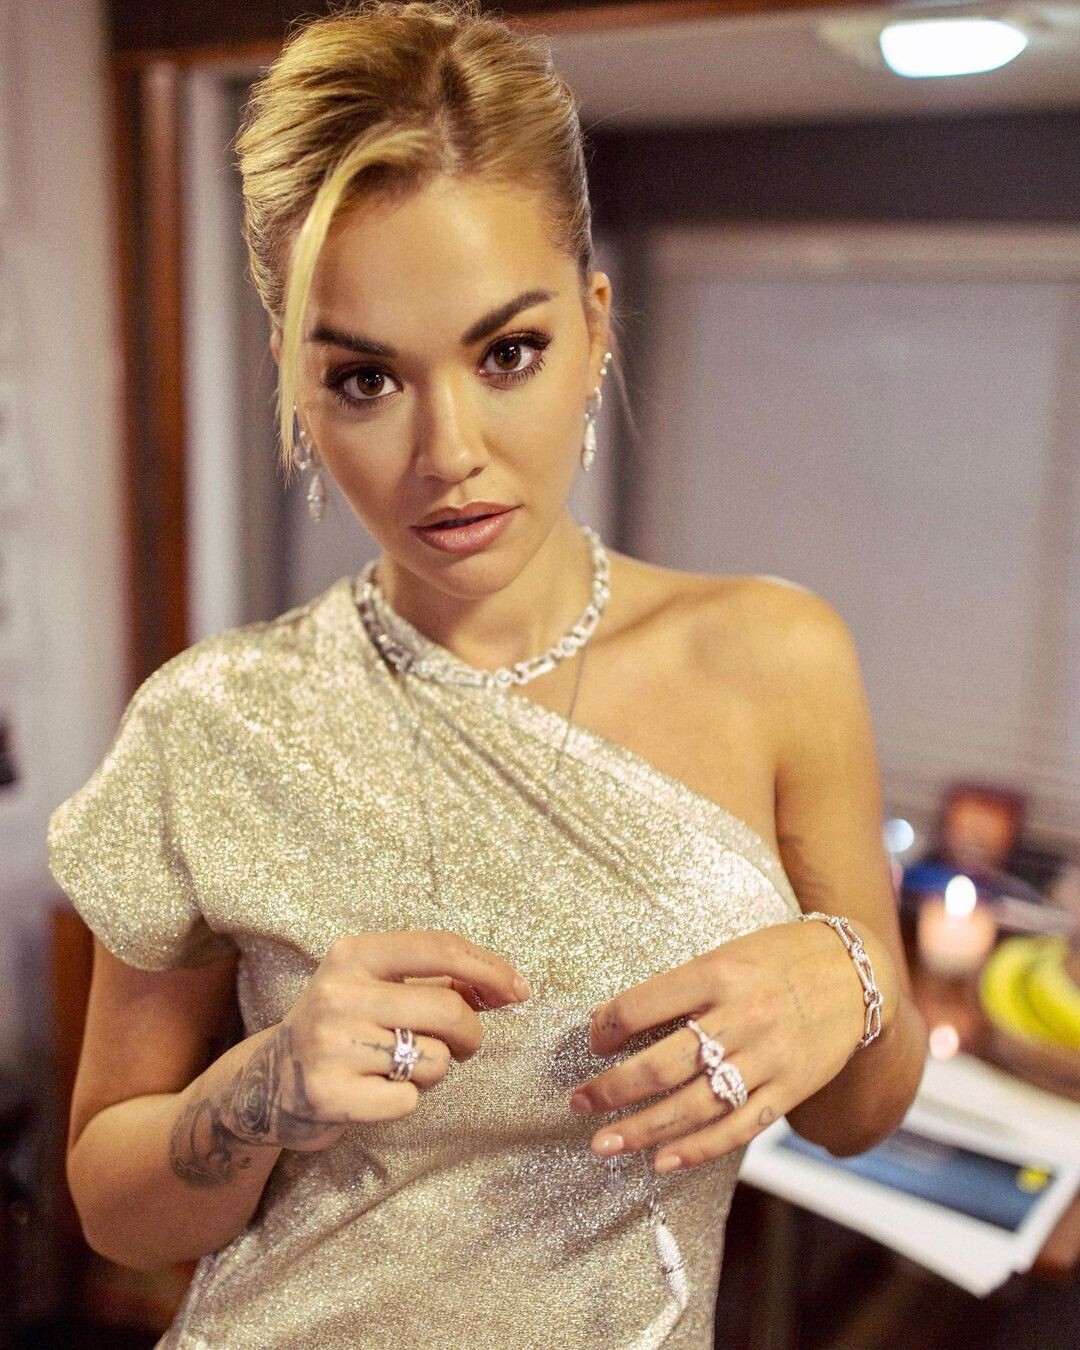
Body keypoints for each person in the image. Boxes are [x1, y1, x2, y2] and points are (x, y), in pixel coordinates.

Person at [48, 2, 928, 1345]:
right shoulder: (212, 724)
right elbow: (113, 1208)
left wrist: (847, 975)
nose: (448, 450)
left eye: (506, 352)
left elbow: (860, 1116)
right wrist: (267, 1085)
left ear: (595, 326)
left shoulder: (774, 659)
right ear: (297, 383)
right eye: (365, 379)